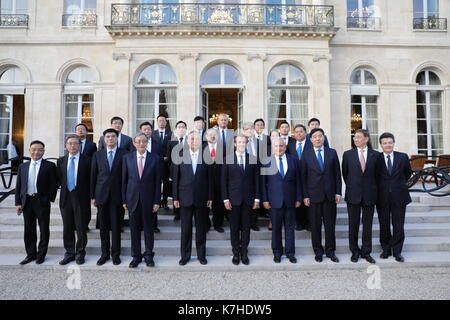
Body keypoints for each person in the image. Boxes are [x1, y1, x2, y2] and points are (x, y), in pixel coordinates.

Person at [301, 128, 341, 263]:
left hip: (330, 196)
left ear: (324, 138)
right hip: (313, 196)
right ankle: (318, 251)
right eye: (315, 137)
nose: (317, 139)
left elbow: (337, 174)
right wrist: (305, 195)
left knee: (330, 226)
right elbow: (303, 177)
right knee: (315, 226)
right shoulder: (306, 155)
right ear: (311, 139)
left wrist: (338, 192)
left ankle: (331, 251)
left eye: (320, 136)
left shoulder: (332, 152)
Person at [172, 131, 213, 266]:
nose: (194, 141)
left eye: (196, 139)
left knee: (201, 229)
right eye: (191, 139)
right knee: (186, 229)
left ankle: (201, 255)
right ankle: (185, 256)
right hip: (185, 197)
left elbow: (210, 179)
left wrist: (210, 196)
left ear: (200, 142)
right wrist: (175, 198)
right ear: (187, 141)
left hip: (201, 198)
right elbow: (176, 179)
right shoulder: (180, 155)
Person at [122, 133, 162, 268]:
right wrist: (124, 200)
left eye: (144, 141)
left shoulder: (155, 158)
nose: (141, 144)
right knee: (134, 230)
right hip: (132, 199)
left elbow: (158, 182)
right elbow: (124, 181)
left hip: (149, 200)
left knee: (149, 230)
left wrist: (157, 201)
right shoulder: (127, 158)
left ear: (147, 143)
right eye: (138, 141)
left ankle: (149, 255)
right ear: (134, 143)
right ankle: (136, 256)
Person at [15, 140, 57, 265]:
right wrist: (18, 203)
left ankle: (41, 254)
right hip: (27, 201)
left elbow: (53, 184)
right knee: (29, 229)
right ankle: (30, 254)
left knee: (44, 229)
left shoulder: (49, 166)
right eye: (34, 149)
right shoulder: (23, 166)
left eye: (40, 150)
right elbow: (19, 186)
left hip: (41, 200)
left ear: (43, 151)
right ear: (29, 150)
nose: (36, 152)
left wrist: (48, 198)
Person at [90, 128, 128, 266]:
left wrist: (125, 198)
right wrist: (93, 196)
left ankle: (115, 254)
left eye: (113, 136)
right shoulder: (97, 155)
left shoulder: (124, 154)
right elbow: (93, 176)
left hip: (118, 197)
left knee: (116, 227)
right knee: (104, 228)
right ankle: (104, 254)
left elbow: (126, 177)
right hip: (101, 196)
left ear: (117, 138)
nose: (110, 139)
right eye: (107, 137)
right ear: (104, 139)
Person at [262, 138, 302, 264]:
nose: (279, 148)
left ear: (285, 147)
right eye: (276, 146)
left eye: (281, 146)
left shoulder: (293, 160)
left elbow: (298, 181)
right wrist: (265, 200)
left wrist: (298, 198)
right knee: (276, 229)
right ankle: (277, 253)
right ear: (272, 148)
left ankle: (290, 253)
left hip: (290, 200)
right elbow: (264, 183)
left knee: (290, 228)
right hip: (274, 201)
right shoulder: (267, 161)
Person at [342, 129, 379, 264]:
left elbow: (378, 176)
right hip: (353, 194)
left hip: (370, 194)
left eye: (358, 137)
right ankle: (354, 251)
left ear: (366, 139)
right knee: (353, 225)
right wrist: (353, 186)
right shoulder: (348, 155)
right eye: (354, 137)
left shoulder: (376, 155)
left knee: (367, 225)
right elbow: (345, 174)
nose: (355, 139)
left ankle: (366, 252)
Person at [222, 134, 260, 265]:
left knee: (246, 227)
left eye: (244, 142)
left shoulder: (253, 159)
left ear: (247, 144)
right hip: (233, 200)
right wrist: (225, 199)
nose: (242, 144)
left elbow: (257, 181)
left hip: (249, 199)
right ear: (234, 144)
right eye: (239, 142)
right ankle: (235, 253)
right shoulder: (228, 159)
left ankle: (244, 252)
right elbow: (224, 181)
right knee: (234, 227)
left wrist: (257, 198)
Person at [376, 132, 412, 263]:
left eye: (390, 142)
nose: (387, 145)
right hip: (382, 197)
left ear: (393, 143)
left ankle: (397, 252)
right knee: (384, 224)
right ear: (381, 145)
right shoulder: (376, 158)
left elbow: (407, 174)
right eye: (384, 143)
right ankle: (386, 250)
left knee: (398, 225)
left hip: (399, 196)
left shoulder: (402, 157)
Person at [57, 135, 91, 265]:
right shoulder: (61, 161)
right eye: (70, 143)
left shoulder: (87, 160)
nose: (73, 146)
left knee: (81, 226)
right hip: (66, 197)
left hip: (81, 196)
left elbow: (90, 179)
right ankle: (69, 252)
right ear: (66, 146)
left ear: (80, 145)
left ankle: (80, 252)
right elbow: (59, 178)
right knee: (67, 226)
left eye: (76, 143)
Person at [140, 121, 163, 233]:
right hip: (139, 176)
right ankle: (141, 225)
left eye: (149, 129)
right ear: (141, 131)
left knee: (153, 202)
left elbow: (160, 160)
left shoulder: (157, 144)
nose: (147, 131)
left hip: (153, 176)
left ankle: (153, 226)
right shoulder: (134, 144)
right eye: (144, 129)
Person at [213, 113, 235, 232]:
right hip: (216, 168)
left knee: (229, 193)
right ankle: (217, 223)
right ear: (217, 121)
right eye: (221, 120)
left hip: (231, 167)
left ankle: (229, 218)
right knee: (217, 196)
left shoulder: (233, 133)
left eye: (225, 120)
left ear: (228, 121)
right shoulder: (212, 133)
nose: (223, 122)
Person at [287, 124, 310, 232]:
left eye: (301, 131)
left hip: (309, 176)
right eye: (296, 132)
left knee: (308, 199)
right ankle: (299, 223)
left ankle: (309, 223)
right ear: (294, 134)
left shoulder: (310, 144)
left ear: (305, 133)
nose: (299, 133)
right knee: (297, 199)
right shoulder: (290, 145)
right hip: (295, 177)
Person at [74, 123, 97, 231]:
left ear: (87, 132)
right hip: (73, 177)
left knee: (85, 204)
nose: (80, 131)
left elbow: (94, 161)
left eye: (83, 129)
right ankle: (74, 224)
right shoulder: (71, 143)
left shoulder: (91, 145)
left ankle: (85, 224)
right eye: (78, 129)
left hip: (86, 176)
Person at [167, 120, 187, 221]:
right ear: (176, 129)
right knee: (175, 191)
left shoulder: (189, 141)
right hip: (174, 170)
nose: (181, 128)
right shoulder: (171, 142)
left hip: (186, 171)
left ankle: (184, 210)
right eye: (179, 127)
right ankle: (176, 213)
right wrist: (170, 172)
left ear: (186, 129)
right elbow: (169, 160)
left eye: (183, 126)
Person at [152, 115, 172, 209]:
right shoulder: (152, 134)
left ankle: (164, 201)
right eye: (160, 121)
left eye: (163, 121)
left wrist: (168, 157)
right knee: (156, 182)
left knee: (166, 183)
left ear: (166, 122)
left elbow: (173, 148)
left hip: (166, 163)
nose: (162, 122)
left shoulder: (171, 133)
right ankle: (156, 201)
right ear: (157, 122)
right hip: (156, 162)